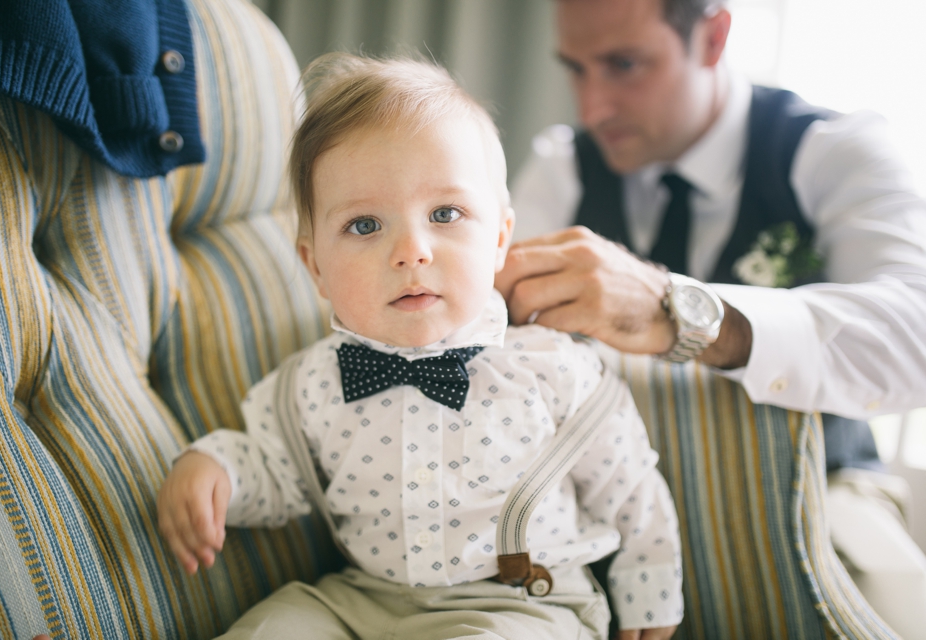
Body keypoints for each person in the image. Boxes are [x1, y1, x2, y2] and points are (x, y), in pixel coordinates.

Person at [156, 53, 683, 640]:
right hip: (363, 599)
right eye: (364, 226)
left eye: (445, 214)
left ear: (501, 239)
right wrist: (217, 470)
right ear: (316, 266)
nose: (412, 251)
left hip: (521, 605)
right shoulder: (311, 384)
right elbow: (275, 470)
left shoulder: (553, 369)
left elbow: (631, 486)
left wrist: (649, 591)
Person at [498, 0, 926, 636]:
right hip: (604, 498)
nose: (592, 108)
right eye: (576, 70)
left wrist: (687, 316)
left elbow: (916, 334)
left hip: (824, 492)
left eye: (623, 65)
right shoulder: (564, 167)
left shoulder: (835, 151)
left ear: (713, 36)